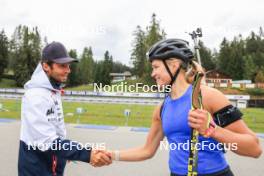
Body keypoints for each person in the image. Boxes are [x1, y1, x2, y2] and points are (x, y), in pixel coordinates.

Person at [108, 39, 262, 176]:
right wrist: (110, 155)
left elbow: (254, 148)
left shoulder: (208, 96)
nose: (152, 74)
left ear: (174, 65)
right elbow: (147, 150)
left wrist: (213, 130)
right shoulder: (162, 108)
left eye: (156, 67)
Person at [18, 42, 111, 176]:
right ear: (45, 66)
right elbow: (47, 141)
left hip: (53, 162)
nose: (68, 70)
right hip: (37, 168)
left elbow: (56, 129)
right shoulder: (36, 95)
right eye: (62, 66)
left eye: (68, 65)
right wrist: (87, 154)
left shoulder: (52, 89)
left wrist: (65, 153)